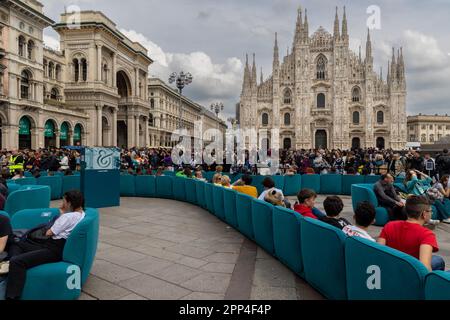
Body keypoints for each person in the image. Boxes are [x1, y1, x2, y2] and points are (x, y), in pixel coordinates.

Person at [3, 190, 86, 300]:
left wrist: (61, 215)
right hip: (54, 246)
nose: (62, 203)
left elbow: (48, 233)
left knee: (17, 261)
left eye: (64, 201)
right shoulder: (82, 214)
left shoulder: (68, 217)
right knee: (18, 244)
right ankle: (11, 266)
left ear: (70, 203)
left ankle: (12, 296)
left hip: (53, 249)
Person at [378, 195, 446, 272]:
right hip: (410, 275)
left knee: (437, 259)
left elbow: (378, 252)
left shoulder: (389, 225)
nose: (431, 213)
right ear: (424, 214)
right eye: (430, 211)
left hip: (389, 269)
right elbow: (425, 269)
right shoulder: (427, 235)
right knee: (439, 261)